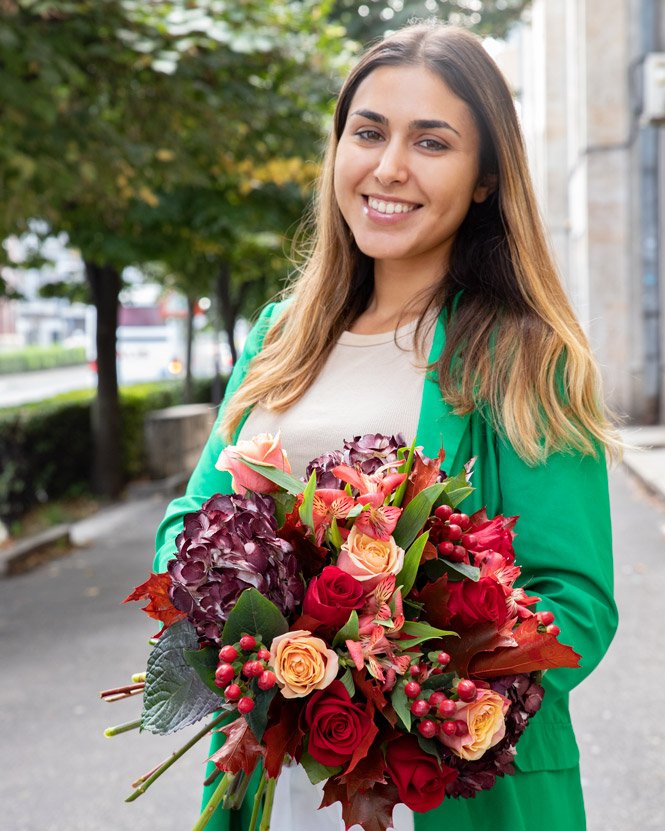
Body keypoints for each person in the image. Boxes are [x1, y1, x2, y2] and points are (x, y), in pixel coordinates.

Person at [154, 22, 619, 831]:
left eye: (431, 142)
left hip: (446, 791)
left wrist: (400, 685)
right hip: (276, 786)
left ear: (483, 178)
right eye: (368, 132)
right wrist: (252, 640)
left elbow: (572, 601)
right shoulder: (278, 334)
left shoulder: (521, 354)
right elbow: (187, 529)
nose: (388, 167)